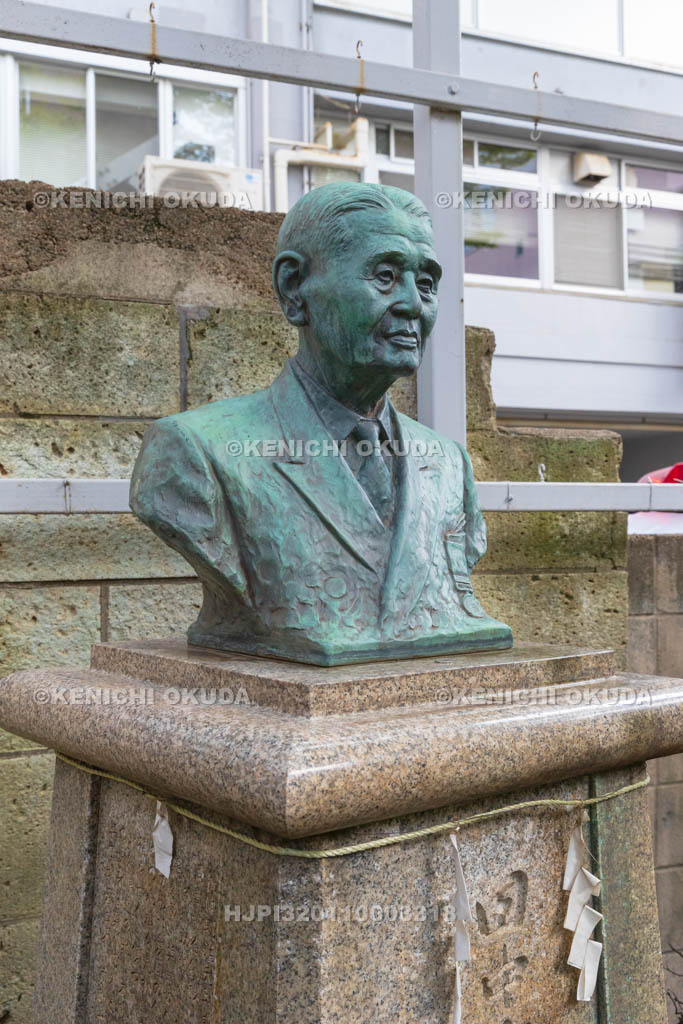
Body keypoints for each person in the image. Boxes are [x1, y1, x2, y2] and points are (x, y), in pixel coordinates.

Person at [130, 182, 512, 665]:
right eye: (385, 276)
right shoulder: (195, 450)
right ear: (294, 288)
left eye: (427, 284)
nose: (414, 305)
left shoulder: (447, 461)